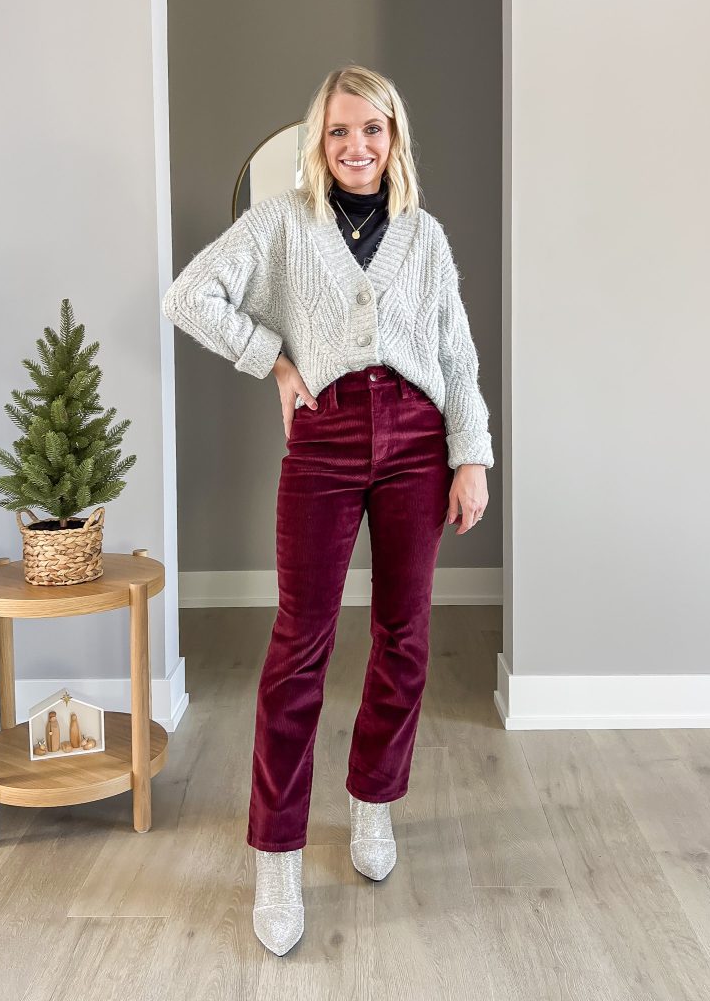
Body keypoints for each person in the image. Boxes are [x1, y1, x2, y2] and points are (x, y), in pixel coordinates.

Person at [161, 65, 494, 956]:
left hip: (420, 440)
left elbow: (456, 356)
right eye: (340, 131)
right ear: (320, 139)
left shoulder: (423, 238)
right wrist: (271, 357)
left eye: (372, 131)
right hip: (326, 436)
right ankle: (277, 851)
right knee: (299, 644)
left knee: (405, 637)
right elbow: (188, 296)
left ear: (394, 139)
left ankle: (373, 803)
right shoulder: (279, 224)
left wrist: (471, 456)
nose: (356, 147)